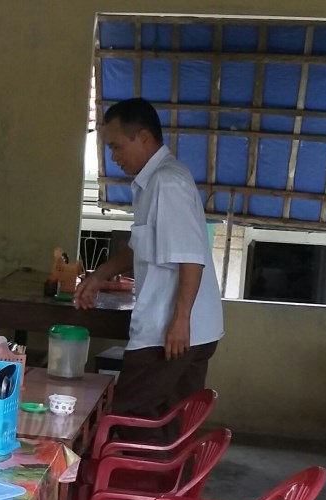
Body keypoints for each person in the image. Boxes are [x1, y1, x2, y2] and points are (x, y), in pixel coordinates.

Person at [76, 97, 224, 439]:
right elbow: (139, 246)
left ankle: (126, 476)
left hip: (170, 332)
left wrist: (180, 320)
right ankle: (168, 475)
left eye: (116, 146)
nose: (113, 157)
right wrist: (98, 276)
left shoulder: (167, 183)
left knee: (128, 418)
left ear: (143, 137)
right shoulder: (152, 182)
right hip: (184, 330)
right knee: (170, 426)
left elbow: (191, 257)